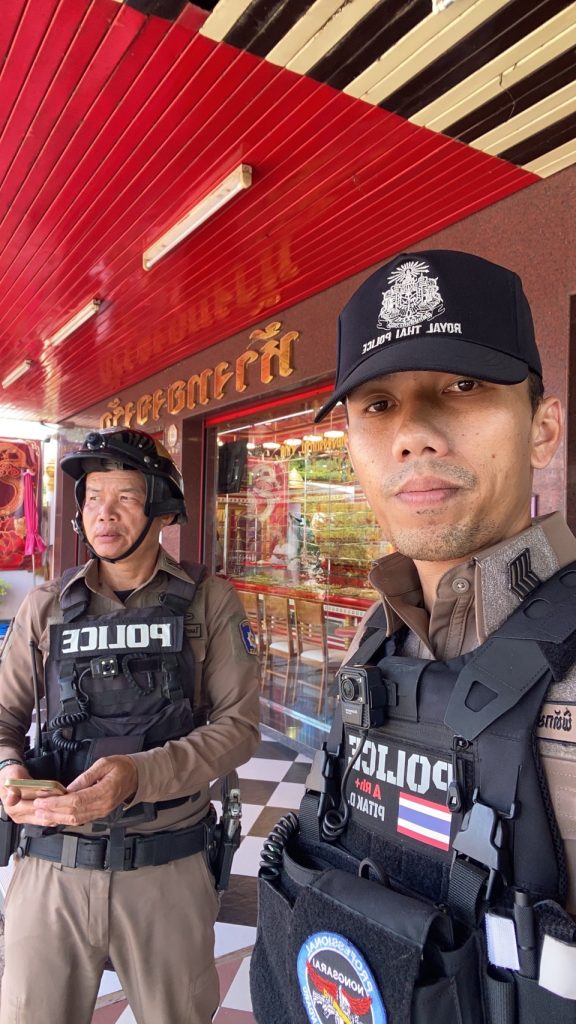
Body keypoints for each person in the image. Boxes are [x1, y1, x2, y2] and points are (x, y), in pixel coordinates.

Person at [250, 250, 576, 1024]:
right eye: (378, 404)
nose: (414, 434)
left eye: (463, 387)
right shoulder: (377, 638)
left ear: (543, 430)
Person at [0, 427, 260, 1024]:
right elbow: (4, 716)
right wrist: (9, 769)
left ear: (162, 509)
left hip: (165, 867)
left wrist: (138, 774)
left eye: (124, 497)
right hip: (52, 866)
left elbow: (239, 727)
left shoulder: (208, 601)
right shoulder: (46, 605)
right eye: (93, 497)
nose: (104, 514)